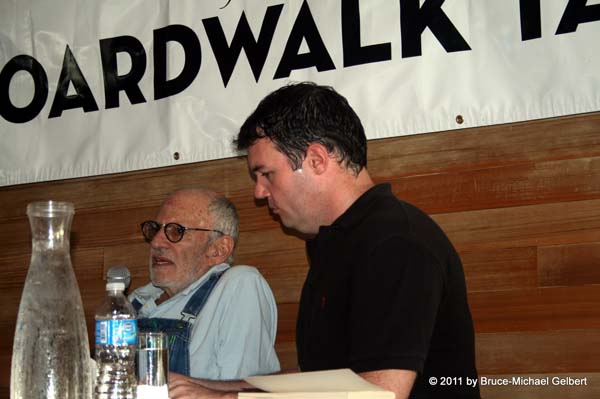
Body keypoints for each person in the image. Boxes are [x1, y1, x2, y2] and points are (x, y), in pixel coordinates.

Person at [170, 82, 479, 399]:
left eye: (267, 174)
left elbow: (378, 394)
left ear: (316, 159)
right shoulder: (336, 243)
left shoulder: (396, 244)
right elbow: (326, 381)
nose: (259, 192)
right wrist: (202, 387)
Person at [129, 188, 280, 381]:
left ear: (218, 250)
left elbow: (246, 390)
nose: (157, 242)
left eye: (176, 231)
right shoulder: (136, 300)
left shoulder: (237, 286)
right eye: (155, 229)